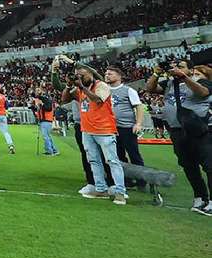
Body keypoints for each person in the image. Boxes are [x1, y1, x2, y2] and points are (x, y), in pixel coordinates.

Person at [56, 57, 127, 205]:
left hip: (104, 130)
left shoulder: (102, 85)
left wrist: (81, 87)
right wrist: (69, 86)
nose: (80, 77)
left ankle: (121, 192)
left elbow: (98, 100)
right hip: (87, 130)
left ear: (91, 74)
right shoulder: (81, 89)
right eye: (78, 76)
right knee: (94, 160)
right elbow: (64, 99)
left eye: (83, 75)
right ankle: (100, 188)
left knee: (112, 161)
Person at [145, 59, 211, 214]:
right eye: (174, 67)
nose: (176, 69)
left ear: (190, 70)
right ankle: (200, 196)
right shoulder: (170, 83)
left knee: (209, 165)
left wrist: (184, 77)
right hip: (176, 130)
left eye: (181, 67)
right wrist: (156, 73)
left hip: (198, 130)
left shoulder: (203, 82)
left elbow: (202, 92)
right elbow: (150, 88)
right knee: (188, 166)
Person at [105, 66, 145, 174]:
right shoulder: (104, 90)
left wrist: (138, 123)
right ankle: (126, 180)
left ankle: (142, 181)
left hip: (127, 128)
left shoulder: (128, 90)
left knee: (134, 155)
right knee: (118, 155)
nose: (107, 75)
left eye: (110, 74)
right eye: (106, 74)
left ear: (119, 76)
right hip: (111, 128)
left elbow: (139, 106)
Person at [32, 87, 59, 156]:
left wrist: (42, 104)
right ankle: (53, 150)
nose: (37, 92)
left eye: (38, 91)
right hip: (43, 120)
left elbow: (49, 108)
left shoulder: (46, 99)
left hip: (46, 120)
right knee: (47, 136)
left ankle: (50, 151)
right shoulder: (41, 99)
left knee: (46, 136)